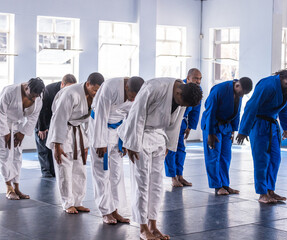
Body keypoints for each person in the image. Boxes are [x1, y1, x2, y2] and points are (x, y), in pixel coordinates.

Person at [118, 78, 202, 240]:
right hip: (140, 135)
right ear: (178, 92)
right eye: (181, 102)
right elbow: (136, 114)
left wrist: (169, 146)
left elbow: (176, 123)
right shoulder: (154, 87)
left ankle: (153, 225)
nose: (182, 106)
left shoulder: (183, 97)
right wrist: (132, 143)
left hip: (159, 137)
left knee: (156, 184)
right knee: (142, 183)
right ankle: (143, 228)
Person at [237, 69, 287, 203]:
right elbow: (251, 106)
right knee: (262, 160)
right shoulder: (267, 85)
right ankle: (262, 193)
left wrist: (285, 127)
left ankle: (270, 190)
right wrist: (243, 130)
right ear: (284, 79)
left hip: (273, 125)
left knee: (275, 159)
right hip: (259, 124)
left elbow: (285, 109)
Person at [46, 72, 104, 214]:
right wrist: (57, 145)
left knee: (80, 169)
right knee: (64, 169)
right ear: (88, 84)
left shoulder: (96, 97)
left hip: (78, 133)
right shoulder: (71, 94)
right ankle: (67, 203)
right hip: (63, 131)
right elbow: (59, 118)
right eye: (94, 89)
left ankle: (78, 202)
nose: (96, 93)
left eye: (99, 90)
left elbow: (91, 121)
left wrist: (86, 144)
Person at [89, 76, 144, 224]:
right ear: (126, 87)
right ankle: (105, 211)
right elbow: (100, 114)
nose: (133, 100)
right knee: (102, 171)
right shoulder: (110, 87)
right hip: (100, 128)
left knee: (117, 173)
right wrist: (100, 142)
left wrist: (126, 141)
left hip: (118, 130)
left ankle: (115, 210)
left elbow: (131, 117)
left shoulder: (138, 94)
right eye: (132, 96)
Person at [201, 77, 253, 196]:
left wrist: (234, 130)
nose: (242, 95)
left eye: (245, 94)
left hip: (226, 127)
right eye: (242, 92)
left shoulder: (239, 94)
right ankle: (217, 186)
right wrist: (210, 133)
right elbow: (210, 112)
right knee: (213, 156)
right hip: (212, 126)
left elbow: (237, 111)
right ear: (238, 85)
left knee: (226, 156)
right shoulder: (219, 90)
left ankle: (225, 184)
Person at [0, 78, 45, 200]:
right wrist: (5, 132)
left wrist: (23, 132)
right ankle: (9, 188)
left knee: (17, 156)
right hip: (4, 125)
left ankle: (17, 187)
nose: (34, 99)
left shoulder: (38, 97)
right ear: (26, 88)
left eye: (37, 96)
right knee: (6, 156)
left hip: (18, 127)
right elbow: (1, 113)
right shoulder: (10, 91)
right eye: (32, 96)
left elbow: (34, 117)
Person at [164, 68, 202, 187]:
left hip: (183, 123)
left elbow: (195, 109)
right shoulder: (179, 88)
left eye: (200, 79)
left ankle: (180, 175)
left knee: (181, 149)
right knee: (171, 149)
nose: (198, 81)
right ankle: (173, 177)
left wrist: (190, 127)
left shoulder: (198, 90)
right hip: (172, 121)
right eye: (196, 78)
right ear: (188, 77)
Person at [35, 74, 77, 178]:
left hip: (54, 122)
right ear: (62, 84)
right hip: (42, 121)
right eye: (68, 87)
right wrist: (42, 128)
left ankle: (53, 171)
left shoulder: (72, 92)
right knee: (43, 147)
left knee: (52, 147)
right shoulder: (49, 90)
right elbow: (41, 110)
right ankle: (46, 172)